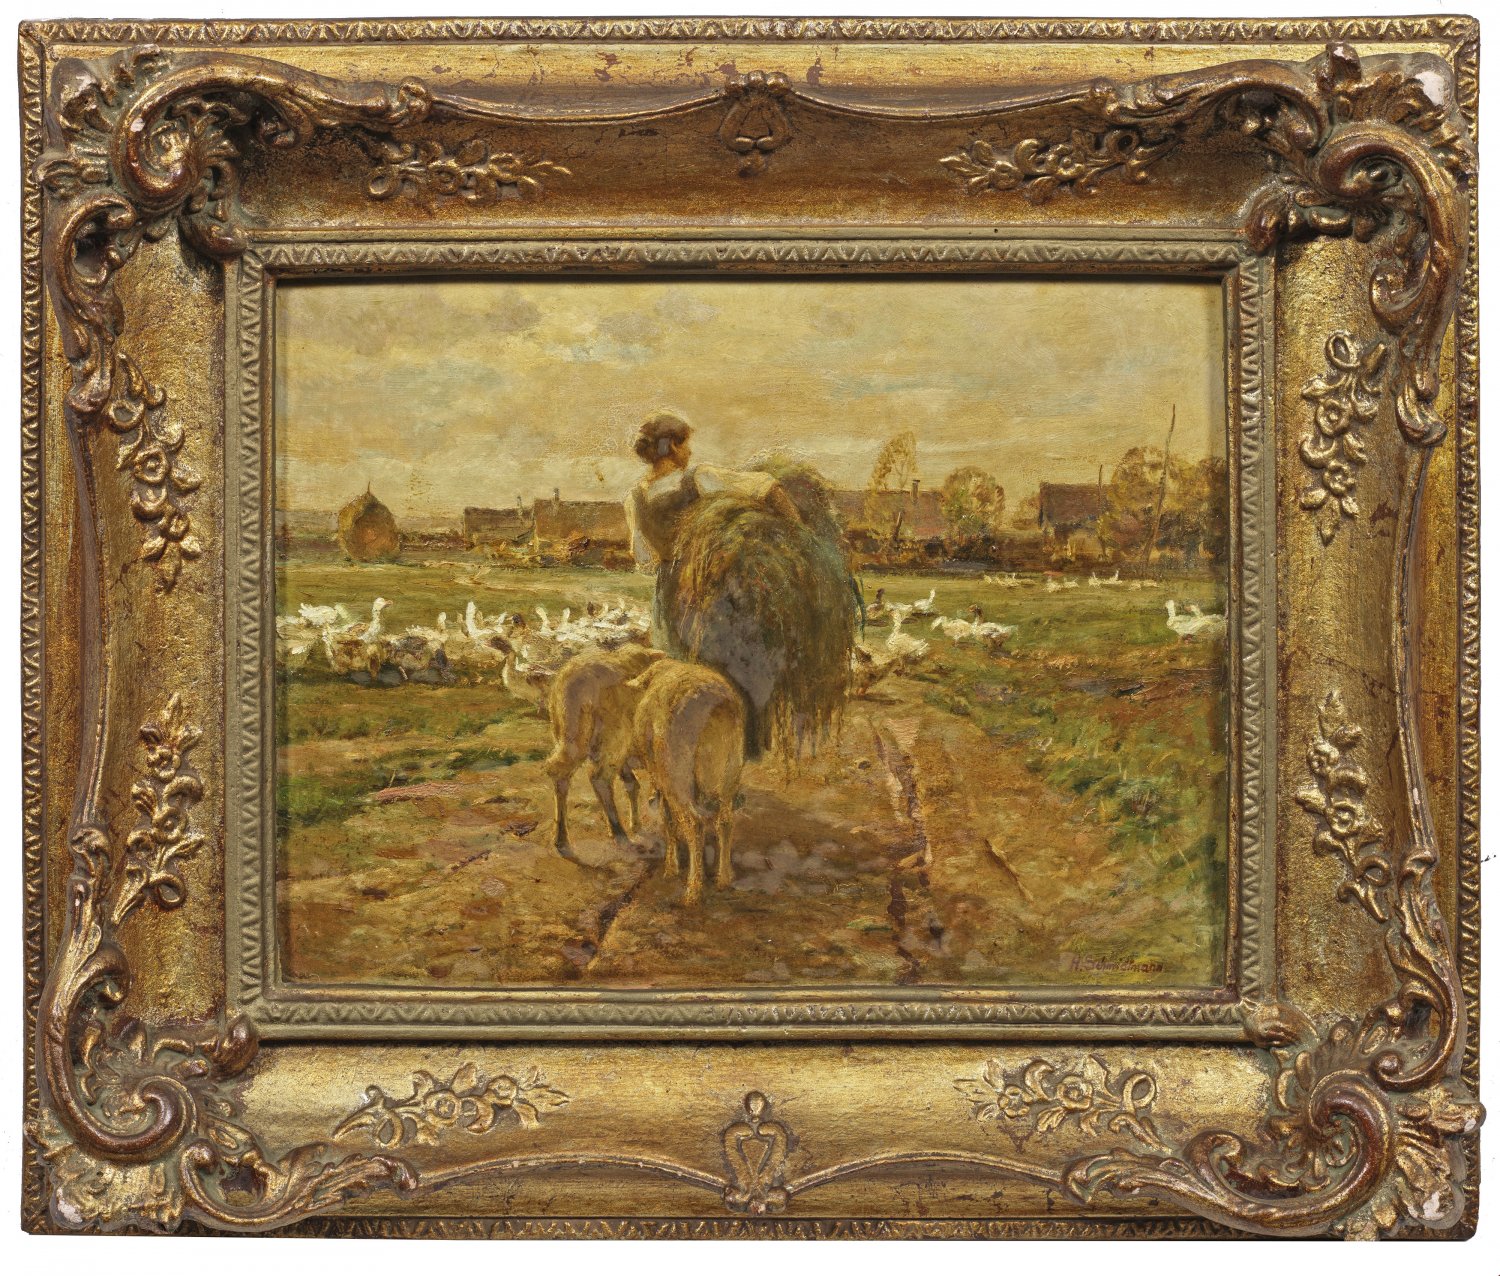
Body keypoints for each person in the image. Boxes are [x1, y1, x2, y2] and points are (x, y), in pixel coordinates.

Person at [623, 410, 855, 759]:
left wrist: (673, 556)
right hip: (715, 598)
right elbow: (767, 485)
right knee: (732, 676)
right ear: (672, 446)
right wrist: (799, 535)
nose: (689, 451)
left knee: (684, 678)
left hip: (672, 600)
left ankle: (694, 753)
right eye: (685, 444)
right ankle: (733, 753)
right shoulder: (700, 479)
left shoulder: (635, 500)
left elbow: (644, 557)